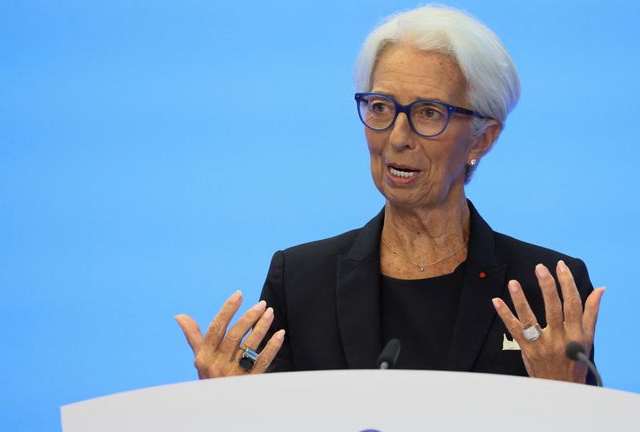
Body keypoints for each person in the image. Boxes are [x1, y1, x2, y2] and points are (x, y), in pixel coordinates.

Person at [176, 5, 604, 384]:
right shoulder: (302, 282)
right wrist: (230, 408)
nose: (397, 137)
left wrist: (565, 397)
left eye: (429, 113)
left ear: (481, 139)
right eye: (380, 107)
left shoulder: (545, 288)